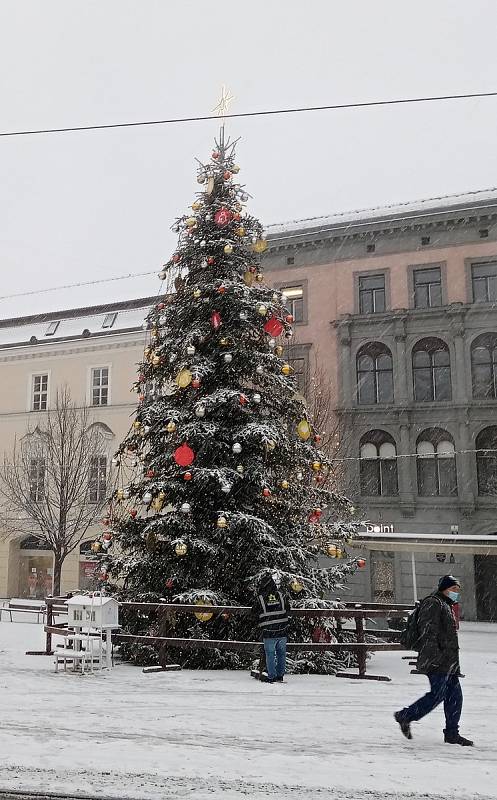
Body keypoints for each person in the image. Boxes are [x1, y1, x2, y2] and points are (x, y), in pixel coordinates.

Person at [394, 575, 473, 746]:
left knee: (455, 697)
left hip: (448, 661)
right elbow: (428, 633)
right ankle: (405, 716)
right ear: (444, 588)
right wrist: (435, 658)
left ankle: (452, 733)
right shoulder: (433, 603)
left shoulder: (445, 605)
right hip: (436, 660)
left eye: (457, 590)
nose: (456, 593)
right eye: (453, 589)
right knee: (438, 694)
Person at [252, 573, 290, 683]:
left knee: (270, 654)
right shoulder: (281, 596)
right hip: (282, 629)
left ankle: (271, 676)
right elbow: (288, 608)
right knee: (281, 653)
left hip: (268, 631)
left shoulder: (261, 598)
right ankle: (280, 675)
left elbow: (254, 611)